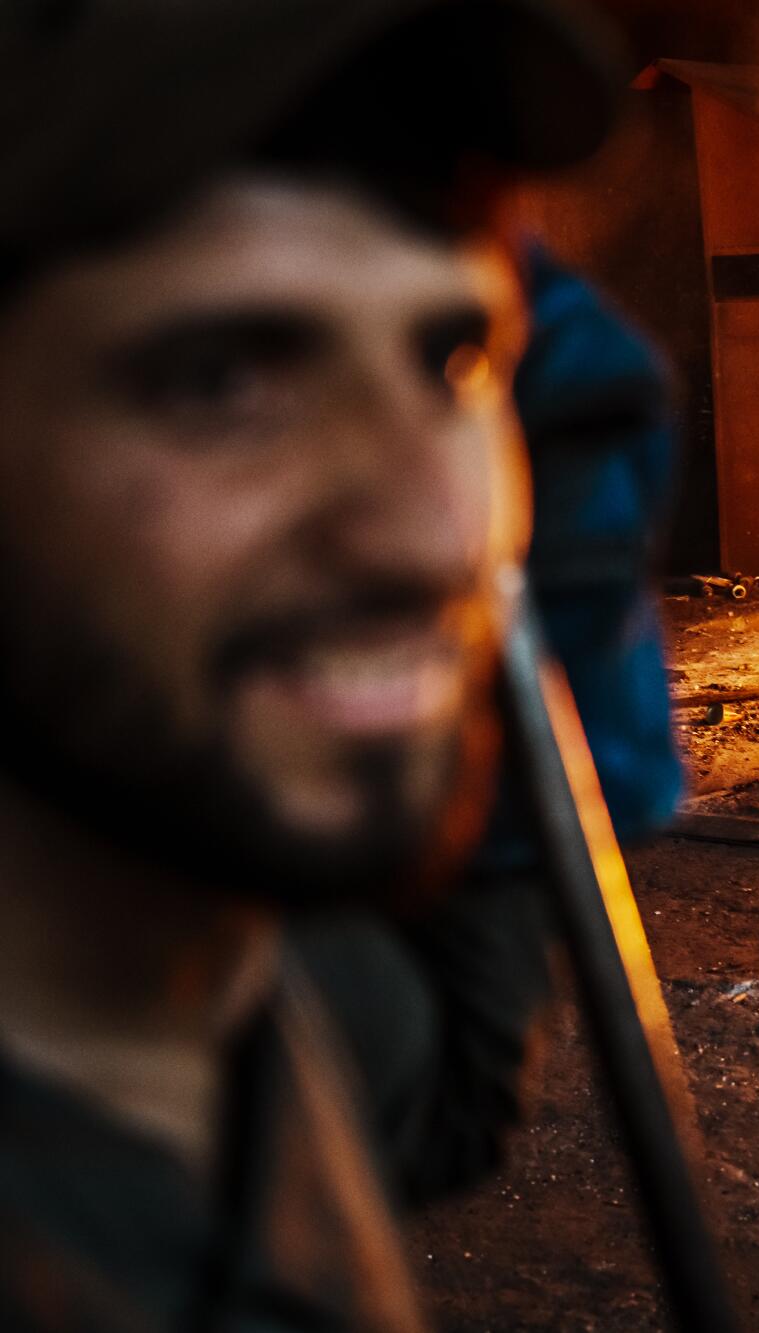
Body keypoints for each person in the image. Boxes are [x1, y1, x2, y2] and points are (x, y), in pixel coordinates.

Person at [0, 1, 639, 1327]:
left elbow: (456, 1091)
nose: (426, 535)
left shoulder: (246, 984)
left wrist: (490, 767)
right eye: (224, 377)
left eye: (449, 359)